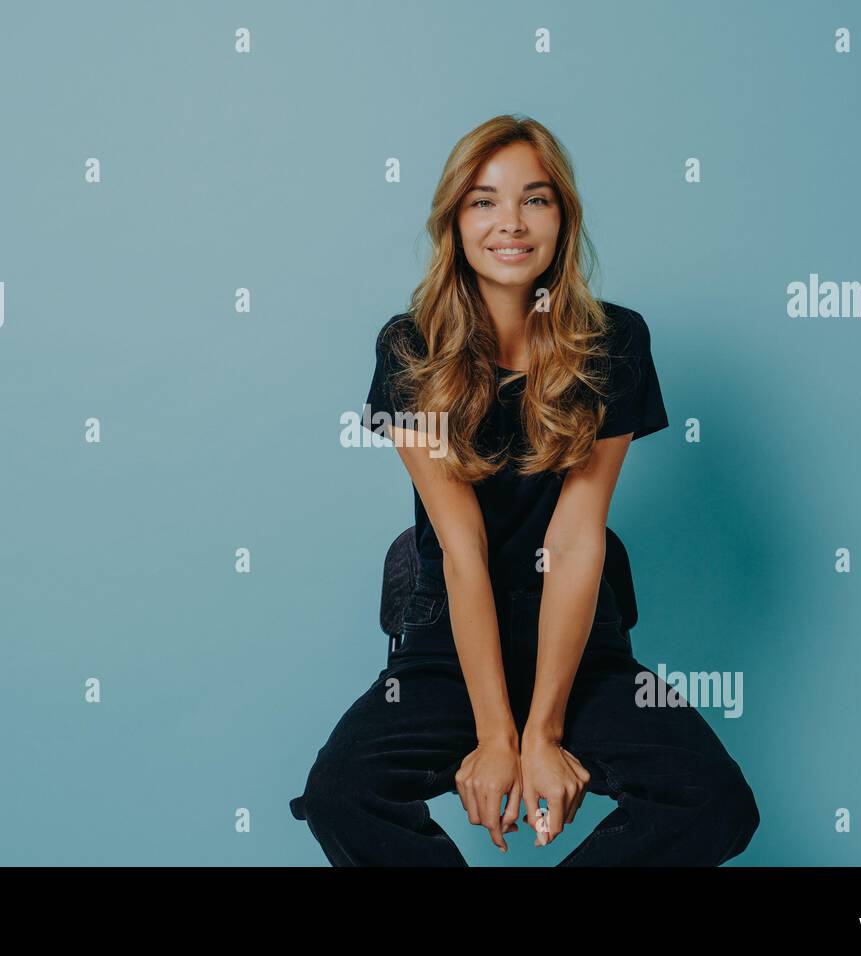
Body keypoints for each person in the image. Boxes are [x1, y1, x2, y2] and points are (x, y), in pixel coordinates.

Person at [288, 115, 759, 866]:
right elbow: (463, 549)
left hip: (578, 643)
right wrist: (494, 737)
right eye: (484, 201)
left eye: (535, 200)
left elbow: (575, 543)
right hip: (448, 644)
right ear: (454, 222)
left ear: (563, 218)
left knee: (713, 799)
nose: (510, 222)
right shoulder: (409, 349)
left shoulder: (614, 342)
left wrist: (540, 733)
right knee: (342, 792)